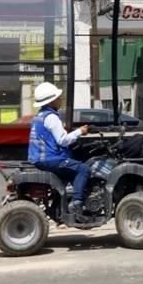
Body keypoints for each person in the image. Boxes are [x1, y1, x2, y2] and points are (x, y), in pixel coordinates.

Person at [28, 82, 91, 215]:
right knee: (84, 169)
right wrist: (80, 131)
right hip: (51, 159)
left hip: (39, 159)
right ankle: (77, 203)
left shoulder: (39, 116)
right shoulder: (51, 118)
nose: (60, 100)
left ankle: (57, 209)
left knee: (67, 175)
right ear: (52, 101)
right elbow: (62, 141)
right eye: (58, 98)